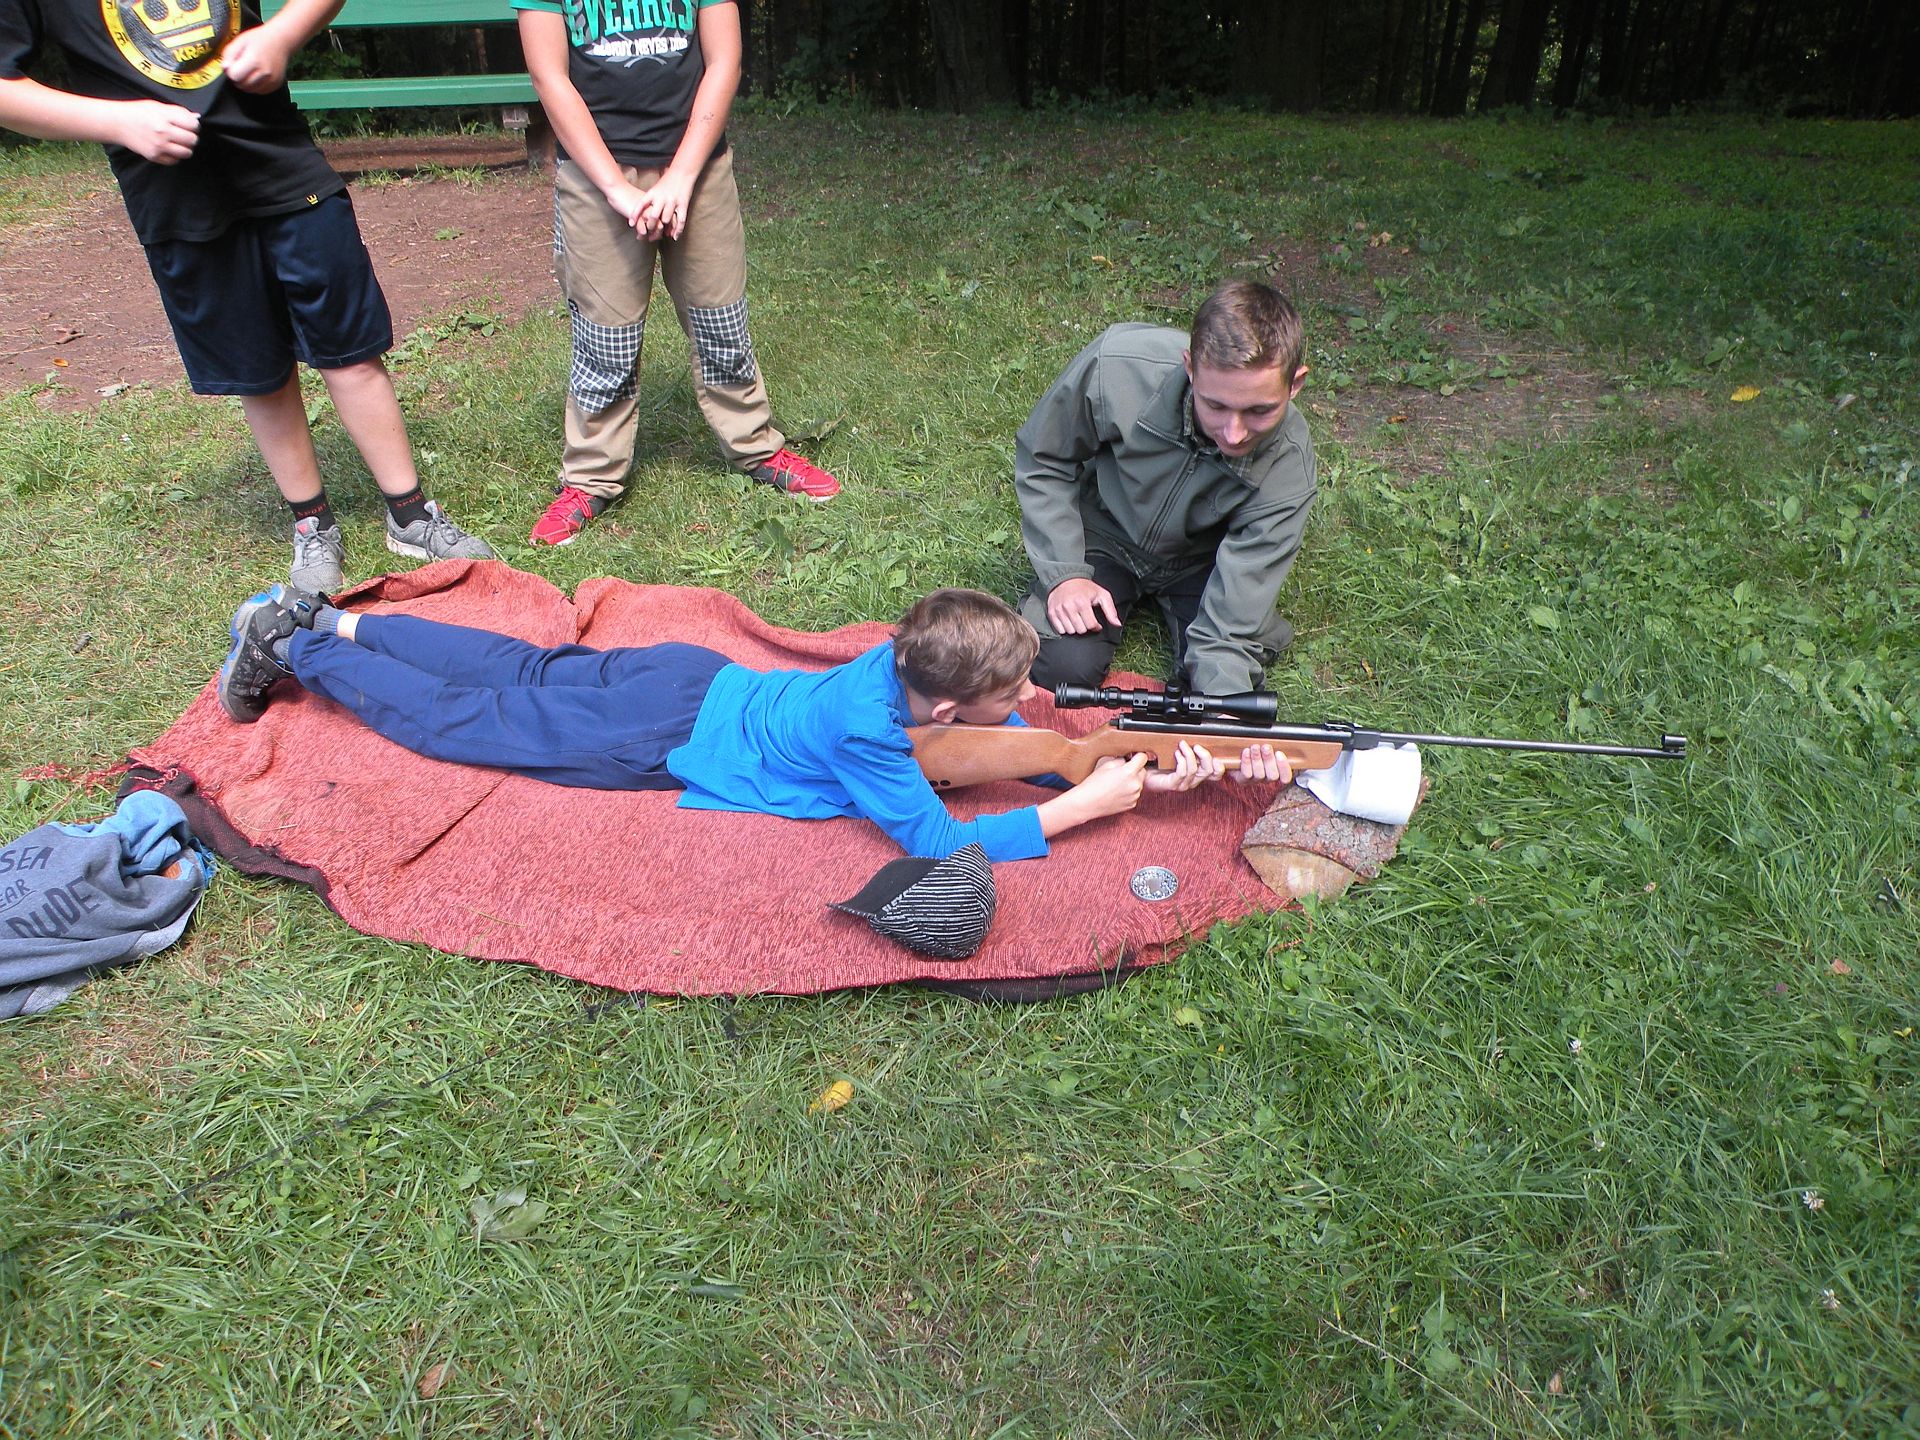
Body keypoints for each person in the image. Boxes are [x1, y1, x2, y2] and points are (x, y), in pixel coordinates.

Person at [215, 585, 1291, 863]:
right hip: (664, 738)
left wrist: (1110, 769)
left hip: (690, 675)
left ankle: (338, 620)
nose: (1029, 706)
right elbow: (936, 843)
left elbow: (985, 754)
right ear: (947, 704)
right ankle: (296, 650)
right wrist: (1080, 810)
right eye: (1012, 695)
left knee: (523, 666)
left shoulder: (903, 660)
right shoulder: (868, 736)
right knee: (472, 719)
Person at [0, 0, 495, 593]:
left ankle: (411, 515)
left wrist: (283, 33)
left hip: (287, 169)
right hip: (176, 201)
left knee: (353, 352)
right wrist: (117, 122)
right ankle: (312, 522)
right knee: (259, 372)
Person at [514, 0, 840, 547]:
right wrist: (616, 188)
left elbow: (724, 61)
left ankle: (755, 446)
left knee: (721, 320)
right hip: (596, 176)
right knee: (605, 337)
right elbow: (550, 78)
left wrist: (683, 175)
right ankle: (590, 478)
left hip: (699, 166)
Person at [1016, 279, 1316, 698]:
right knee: (1060, 667)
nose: (1234, 433)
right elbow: (1045, 457)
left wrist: (1223, 704)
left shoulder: (1290, 466)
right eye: (1215, 405)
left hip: (1203, 562)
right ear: (1189, 367)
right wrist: (1064, 573)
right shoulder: (1116, 367)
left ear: (1295, 384)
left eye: (1259, 411)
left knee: (1213, 691)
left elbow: (1232, 620)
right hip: (1104, 531)